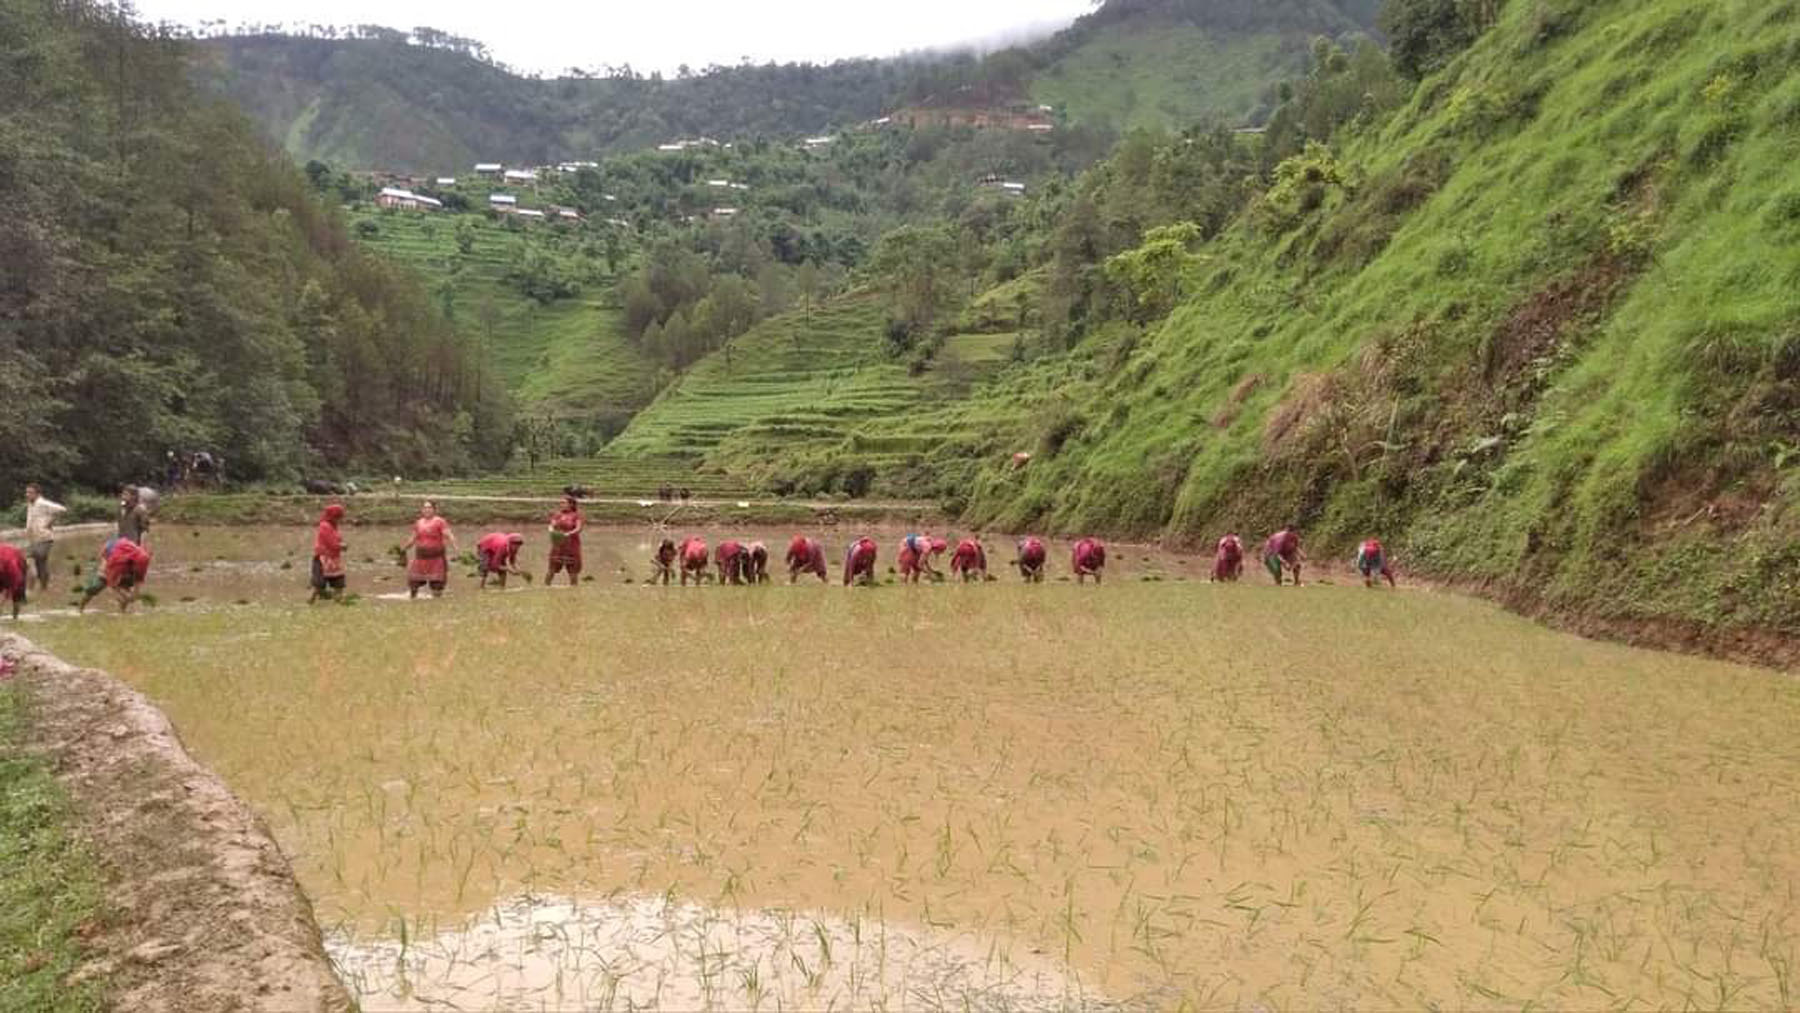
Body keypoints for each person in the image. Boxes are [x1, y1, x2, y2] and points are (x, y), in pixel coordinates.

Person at [402, 500, 458, 598]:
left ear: (434, 510)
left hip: (436, 556)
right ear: (422, 510)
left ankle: (436, 600)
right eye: (425, 508)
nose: (427, 510)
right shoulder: (419, 523)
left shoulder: (440, 521)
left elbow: (449, 535)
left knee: (437, 584)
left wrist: (455, 547)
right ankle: (413, 598)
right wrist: (404, 549)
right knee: (413, 581)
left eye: (429, 507)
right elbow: (413, 538)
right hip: (421, 556)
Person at [79, 537, 150, 613]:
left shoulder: (143, 560)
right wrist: (121, 593)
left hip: (125, 555)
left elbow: (138, 580)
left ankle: (122, 612)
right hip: (111, 551)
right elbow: (111, 581)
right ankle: (80, 609)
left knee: (126, 586)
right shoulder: (120, 561)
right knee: (99, 584)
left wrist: (134, 595)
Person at [22, 483, 66, 593]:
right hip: (33, 538)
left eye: (30, 492)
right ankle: (43, 588)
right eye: (26, 492)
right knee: (39, 563)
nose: (27, 494)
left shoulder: (42, 503)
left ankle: (33, 588)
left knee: (35, 559)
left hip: (45, 538)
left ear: (37, 494)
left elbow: (62, 509)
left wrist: (50, 522)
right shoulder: (30, 504)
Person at [309, 504, 348, 603]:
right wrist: (341, 546)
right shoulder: (324, 526)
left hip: (333, 559)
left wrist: (340, 544)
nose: (339, 520)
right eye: (338, 517)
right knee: (319, 583)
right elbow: (331, 543)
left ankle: (339, 600)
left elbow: (337, 539)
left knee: (339, 582)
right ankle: (311, 600)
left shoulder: (333, 526)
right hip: (323, 558)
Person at [546, 494, 584, 586]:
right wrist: (551, 529)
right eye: (561, 503)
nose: (561, 504)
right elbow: (552, 524)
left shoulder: (577, 516)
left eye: (564, 503)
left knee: (573, 572)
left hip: (571, 547)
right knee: (551, 569)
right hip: (558, 547)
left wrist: (569, 533)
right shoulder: (557, 515)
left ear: (571, 504)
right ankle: (546, 587)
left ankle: (573, 589)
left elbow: (579, 528)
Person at [0, 543, 27, 620]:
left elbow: (17, 580)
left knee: (18, 591)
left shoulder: (11, 566)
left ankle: (15, 617)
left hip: (19, 561)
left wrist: (7, 595)